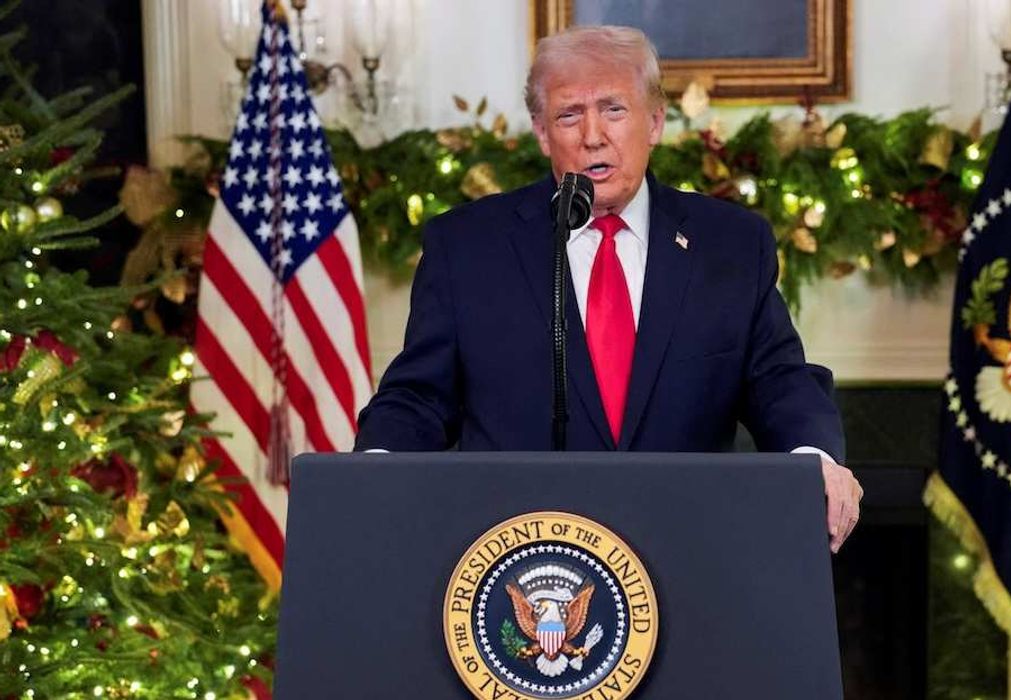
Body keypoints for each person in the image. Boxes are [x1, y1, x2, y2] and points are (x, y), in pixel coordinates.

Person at [354, 25, 863, 552]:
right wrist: (375, 469)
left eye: (614, 110)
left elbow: (780, 381)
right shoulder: (468, 247)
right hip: (522, 561)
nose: (592, 135)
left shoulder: (730, 245)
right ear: (542, 132)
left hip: (689, 553)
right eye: (569, 115)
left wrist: (815, 462)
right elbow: (418, 397)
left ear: (657, 121)